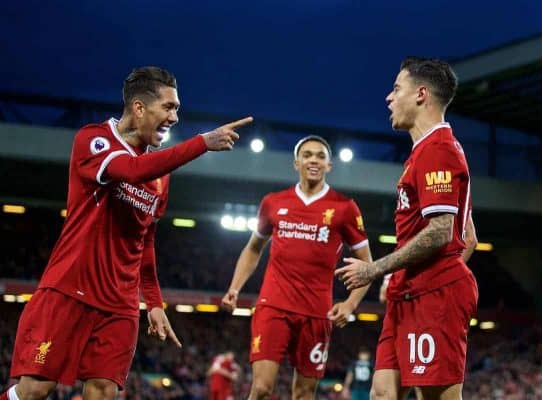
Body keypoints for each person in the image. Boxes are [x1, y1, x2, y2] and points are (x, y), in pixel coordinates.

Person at [2, 66, 252, 400]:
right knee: (36, 389)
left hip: (119, 304)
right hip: (69, 289)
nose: (175, 117)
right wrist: (202, 143)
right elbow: (130, 170)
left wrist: (155, 301)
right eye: (169, 107)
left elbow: (144, 239)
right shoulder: (93, 140)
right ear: (138, 107)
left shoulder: (161, 177)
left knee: (104, 391)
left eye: (177, 108)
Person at [336, 57, 478, 400]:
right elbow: (469, 237)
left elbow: (442, 231)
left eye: (396, 88)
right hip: (408, 291)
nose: (388, 97)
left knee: (435, 397)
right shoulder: (425, 152)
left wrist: (376, 269)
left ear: (421, 94)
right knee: (383, 393)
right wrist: (398, 276)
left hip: (433, 295)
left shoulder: (438, 150)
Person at [221, 135, 373, 400]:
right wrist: (235, 287)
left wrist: (350, 304)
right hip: (273, 306)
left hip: (316, 313)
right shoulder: (273, 202)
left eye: (320, 156)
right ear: (296, 163)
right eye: (307, 155)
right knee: (261, 388)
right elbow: (253, 247)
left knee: (304, 393)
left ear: (329, 166)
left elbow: (367, 264)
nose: (313, 160)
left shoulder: (345, 208)